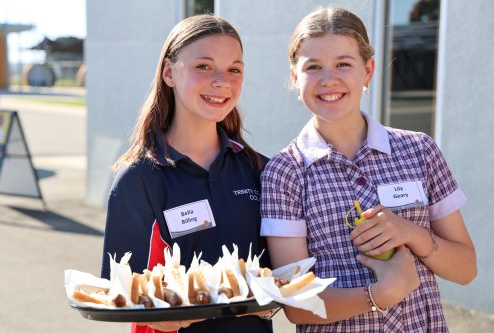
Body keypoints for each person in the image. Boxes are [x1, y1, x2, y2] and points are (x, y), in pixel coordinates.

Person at [260, 6, 477, 332]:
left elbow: (465, 269)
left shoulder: (419, 150)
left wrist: (411, 233)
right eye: (313, 67)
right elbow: (296, 305)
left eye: (343, 64)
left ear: (369, 70)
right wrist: (380, 294)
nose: (328, 79)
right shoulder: (285, 172)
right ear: (295, 76)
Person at [101, 14, 272, 333]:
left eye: (234, 69)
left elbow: (282, 273)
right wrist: (168, 317)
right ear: (169, 72)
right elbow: (120, 293)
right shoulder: (139, 178)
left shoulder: (261, 170)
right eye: (204, 66)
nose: (222, 81)